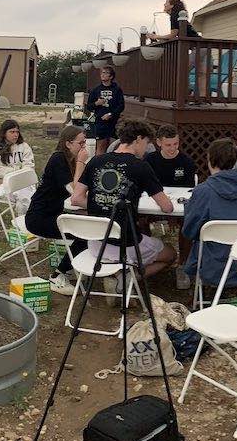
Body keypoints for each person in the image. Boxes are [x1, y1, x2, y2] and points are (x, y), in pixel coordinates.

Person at [68, 120, 178, 287]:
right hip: (125, 245)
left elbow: (76, 198)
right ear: (139, 139)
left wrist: (102, 203)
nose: (146, 148)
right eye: (147, 143)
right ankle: (127, 279)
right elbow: (167, 207)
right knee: (170, 254)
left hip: (96, 243)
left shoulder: (96, 161)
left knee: (140, 234)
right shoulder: (140, 167)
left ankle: (122, 274)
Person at [181, 139, 237, 295]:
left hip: (211, 264)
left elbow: (189, 231)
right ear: (234, 161)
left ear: (210, 160)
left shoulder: (203, 191)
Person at [24, 126, 89, 294]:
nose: (84, 147)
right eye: (81, 143)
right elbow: (74, 192)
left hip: (58, 213)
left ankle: (71, 266)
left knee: (89, 224)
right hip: (40, 218)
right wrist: (82, 162)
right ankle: (58, 274)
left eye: (85, 142)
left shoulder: (70, 159)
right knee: (86, 233)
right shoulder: (58, 160)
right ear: (68, 143)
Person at [146, 124, 197, 188]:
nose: (172, 148)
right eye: (168, 145)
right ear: (159, 142)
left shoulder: (187, 162)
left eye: (175, 144)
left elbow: (189, 188)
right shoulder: (150, 160)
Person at [86, 65, 125, 143]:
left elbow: (121, 106)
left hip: (114, 123)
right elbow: (89, 107)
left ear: (111, 76)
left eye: (106, 73)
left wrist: (111, 114)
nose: (103, 75)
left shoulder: (117, 89)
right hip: (100, 123)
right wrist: (97, 103)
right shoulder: (96, 90)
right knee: (101, 146)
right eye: (102, 73)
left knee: (113, 145)